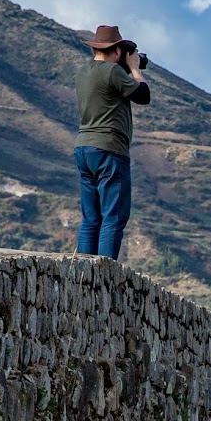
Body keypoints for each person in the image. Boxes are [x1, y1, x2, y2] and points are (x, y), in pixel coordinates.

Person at [74, 24, 152, 258]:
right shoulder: (112, 72)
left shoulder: (83, 72)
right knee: (114, 216)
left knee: (91, 218)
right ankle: (105, 275)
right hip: (109, 149)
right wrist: (134, 68)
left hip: (84, 148)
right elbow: (143, 95)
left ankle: (83, 272)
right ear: (117, 51)